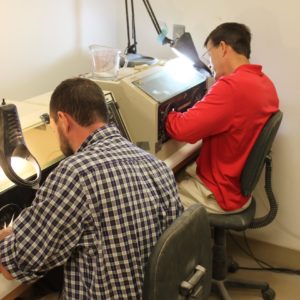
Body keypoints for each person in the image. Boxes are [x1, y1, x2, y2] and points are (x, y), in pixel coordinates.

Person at [0, 78, 183, 299]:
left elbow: (14, 262)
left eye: (52, 127)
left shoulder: (75, 173)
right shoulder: (155, 165)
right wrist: (21, 229)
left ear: (63, 120)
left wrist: (11, 236)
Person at [165, 22, 279, 214]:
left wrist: (167, 115)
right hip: (237, 187)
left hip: (219, 193)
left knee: (152, 197)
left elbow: (182, 129)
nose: (210, 63)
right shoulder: (265, 84)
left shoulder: (231, 87)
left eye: (210, 54)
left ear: (223, 48)